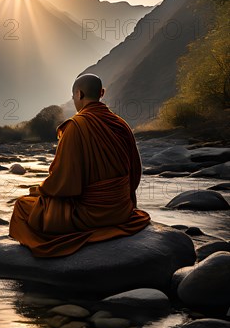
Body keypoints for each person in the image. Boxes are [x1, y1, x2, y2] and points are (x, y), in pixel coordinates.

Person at [8, 73, 151, 257]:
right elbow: (135, 174)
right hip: (122, 211)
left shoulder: (76, 126)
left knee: (22, 206)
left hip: (89, 215)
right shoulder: (122, 125)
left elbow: (64, 185)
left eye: (73, 96)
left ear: (79, 94)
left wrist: (40, 191)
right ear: (101, 92)